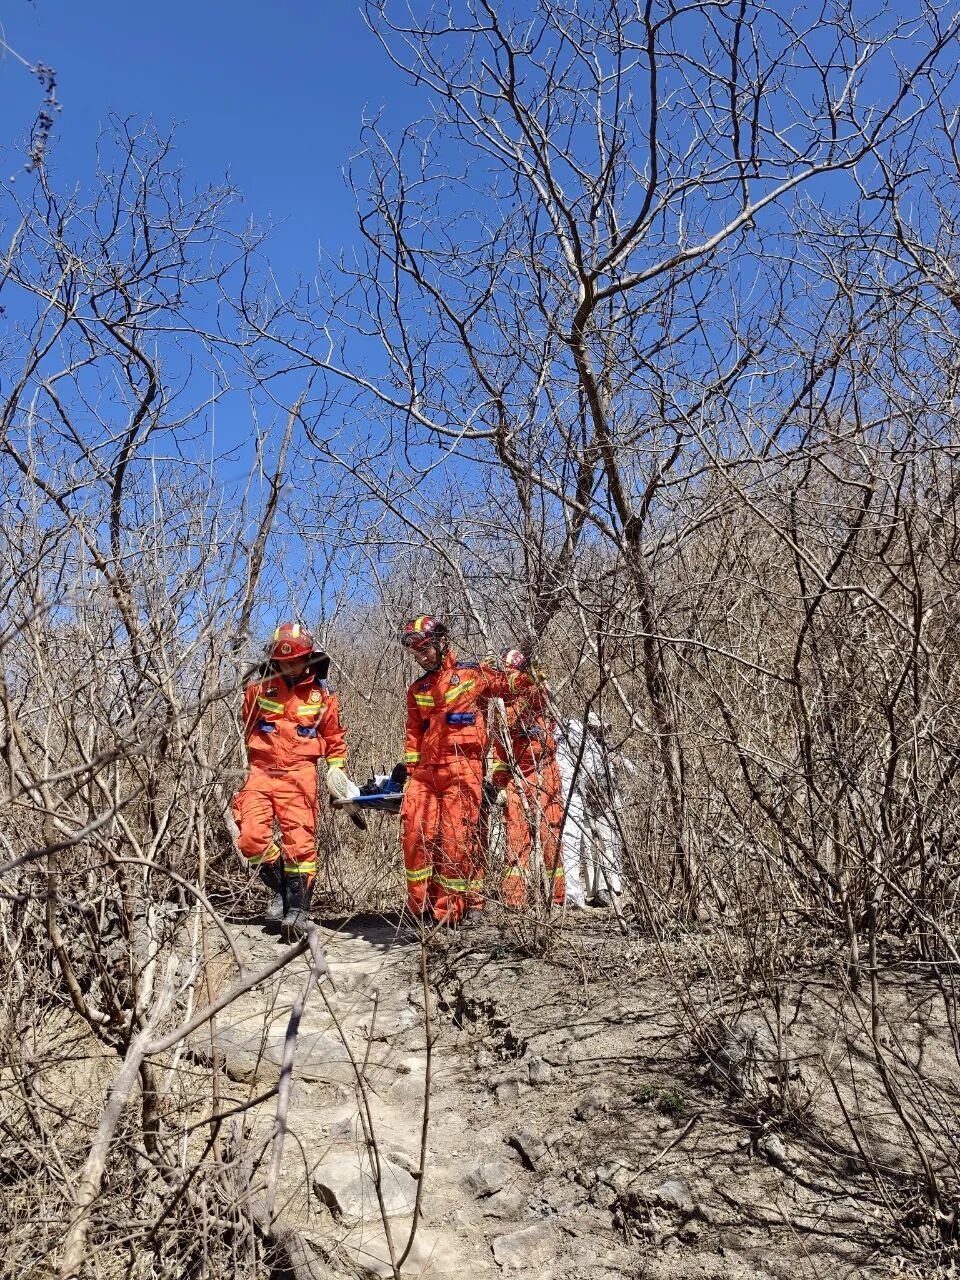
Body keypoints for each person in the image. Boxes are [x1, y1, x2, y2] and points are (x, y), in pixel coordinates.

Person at [398, 615, 533, 926]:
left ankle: (449, 915)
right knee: (416, 836)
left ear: (442, 643)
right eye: (415, 652)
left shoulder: (472, 673)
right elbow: (413, 733)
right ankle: (420, 911)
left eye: (425, 649)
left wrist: (527, 674)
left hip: (464, 768)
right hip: (425, 773)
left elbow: (507, 685)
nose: (420, 657)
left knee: (456, 841)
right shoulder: (418, 688)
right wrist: (409, 774)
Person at [232, 622, 348, 938]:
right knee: (250, 837)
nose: (291, 665)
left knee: (300, 843)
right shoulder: (258, 688)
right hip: (261, 772)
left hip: (300, 775)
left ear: (309, 657)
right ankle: (282, 888)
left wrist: (336, 772)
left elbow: (335, 737)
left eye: (296, 659)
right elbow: (248, 724)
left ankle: (297, 909)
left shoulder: (322, 694)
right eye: (285, 660)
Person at [490, 649, 565, 908]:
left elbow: (544, 699)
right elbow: (500, 747)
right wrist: (500, 782)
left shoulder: (537, 693)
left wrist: (535, 678)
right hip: (517, 775)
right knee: (516, 839)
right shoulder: (501, 706)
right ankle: (515, 901)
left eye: (515, 675)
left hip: (546, 772)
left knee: (550, 836)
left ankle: (557, 898)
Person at [555, 715, 629, 909]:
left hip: (606, 805)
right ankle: (593, 891)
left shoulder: (609, 749)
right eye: (596, 728)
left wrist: (618, 762)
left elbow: (629, 770)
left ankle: (608, 888)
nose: (600, 732)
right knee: (587, 847)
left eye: (602, 729)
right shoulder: (581, 745)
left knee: (608, 845)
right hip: (585, 803)